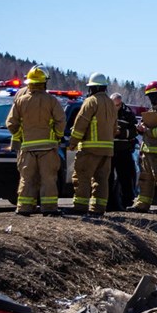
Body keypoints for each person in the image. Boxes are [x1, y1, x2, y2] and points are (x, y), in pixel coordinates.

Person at [5, 65, 66, 217]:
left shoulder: (20, 100)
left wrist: (22, 135)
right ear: (44, 82)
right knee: (48, 179)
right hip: (47, 148)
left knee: (27, 178)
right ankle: (49, 208)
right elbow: (61, 121)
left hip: (27, 149)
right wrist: (56, 136)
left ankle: (24, 208)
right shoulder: (52, 101)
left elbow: (11, 123)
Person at [67, 72, 117, 216]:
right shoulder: (111, 103)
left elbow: (80, 124)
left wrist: (72, 142)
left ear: (93, 88)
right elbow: (114, 129)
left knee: (82, 177)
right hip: (107, 151)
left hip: (90, 149)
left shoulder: (91, 101)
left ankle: (80, 208)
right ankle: (98, 209)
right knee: (101, 180)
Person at [129, 80, 157, 214]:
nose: (150, 99)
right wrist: (140, 128)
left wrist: (146, 131)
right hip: (147, 152)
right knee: (145, 180)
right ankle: (142, 205)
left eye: (151, 96)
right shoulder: (152, 111)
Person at [107, 92, 138, 211]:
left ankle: (127, 202)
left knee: (126, 177)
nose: (114, 108)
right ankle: (108, 203)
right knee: (107, 178)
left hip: (123, 149)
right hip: (109, 149)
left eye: (117, 106)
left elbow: (134, 131)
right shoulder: (106, 110)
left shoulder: (128, 113)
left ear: (120, 104)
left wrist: (122, 133)